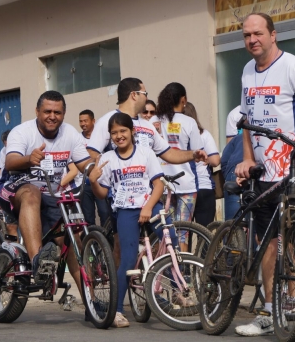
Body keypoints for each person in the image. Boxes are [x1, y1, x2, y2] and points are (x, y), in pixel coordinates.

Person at [234, 12, 295, 336]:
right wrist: (247, 159)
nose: (252, 40)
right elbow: (246, 123)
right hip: (264, 174)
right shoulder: (247, 71)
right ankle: (269, 310)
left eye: (258, 33)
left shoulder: (293, 67)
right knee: (269, 243)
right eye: (247, 35)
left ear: (273, 35)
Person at [90, 113, 190, 328]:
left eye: (123, 131)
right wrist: (92, 181)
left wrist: (147, 207)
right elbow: (101, 193)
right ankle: (116, 310)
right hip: (126, 210)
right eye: (114, 133)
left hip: (150, 205)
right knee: (127, 260)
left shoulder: (146, 153)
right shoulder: (109, 159)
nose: (119, 136)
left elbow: (159, 185)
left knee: (170, 236)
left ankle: (177, 290)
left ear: (132, 131)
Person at [0, 91, 91, 294]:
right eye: (47, 111)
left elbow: (84, 163)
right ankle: (37, 262)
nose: (52, 116)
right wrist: (29, 158)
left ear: (64, 114)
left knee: (71, 239)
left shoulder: (70, 133)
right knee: (32, 193)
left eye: (57, 112)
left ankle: (93, 303)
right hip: (15, 189)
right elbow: (11, 162)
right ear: (37, 111)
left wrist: (96, 169)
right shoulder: (22, 132)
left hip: (51, 195)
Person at [155, 83, 204, 251]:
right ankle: (182, 272)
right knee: (183, 233)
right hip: (186, 184)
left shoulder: (154, 121)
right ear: (183, 100)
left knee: (166, 231)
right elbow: (198, 152)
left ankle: (168, 268)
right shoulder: (189, 122)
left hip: (160, 185)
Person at [183, 102, 221, 227]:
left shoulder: (176, 137)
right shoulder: (204, 135)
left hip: (183, 189)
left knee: (182, 233)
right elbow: (215, 161)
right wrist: (205, 158)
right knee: (205, 233)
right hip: (204, 188)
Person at [78, 109, 109, 226]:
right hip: (84, 184)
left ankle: (107, 242)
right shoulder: (77, 139)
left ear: (93, 121)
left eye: (85, 121)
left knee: (105, 213)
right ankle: (91, 242)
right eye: (80, 121)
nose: (83, 124)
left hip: (100, 182)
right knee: (88, 216)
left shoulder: (102, 137)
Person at [221, 133, 244, 220]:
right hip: (254, 171)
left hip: (234, 171)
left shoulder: (238, 138)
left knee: (232, 222)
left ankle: (231, 231)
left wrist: (228, 176)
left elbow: (224, 160)